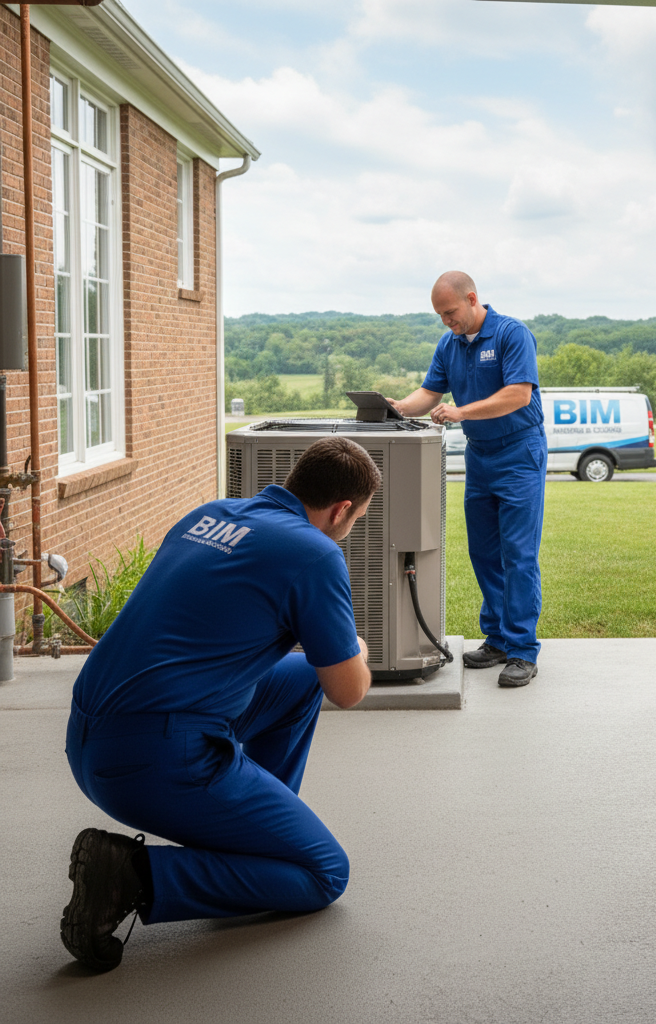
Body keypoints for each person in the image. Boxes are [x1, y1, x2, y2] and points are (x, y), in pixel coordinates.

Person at [61, 436, 381, 972]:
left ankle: (249, 835)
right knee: (325, 874)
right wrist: (358, 649)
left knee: (302, 677)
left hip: (89, 737)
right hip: (154, 760)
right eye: (357, 518)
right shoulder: (315, 552)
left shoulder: (210, 514)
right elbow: (349, 690)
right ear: (342, 509)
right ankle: (135, 874)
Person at [390, 271, 545, 687]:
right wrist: (399, 407)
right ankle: (496, 638)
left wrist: (463, 412)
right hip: (480, 457)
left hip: (519, 454)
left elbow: (519, 394)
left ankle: (522, 650)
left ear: (472, 299)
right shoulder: (449, 344)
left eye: (450, 312)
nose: (446, 321)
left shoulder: (512, 335)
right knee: (484, 551)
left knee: (518, 554)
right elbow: (430, 394)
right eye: (440, 315)